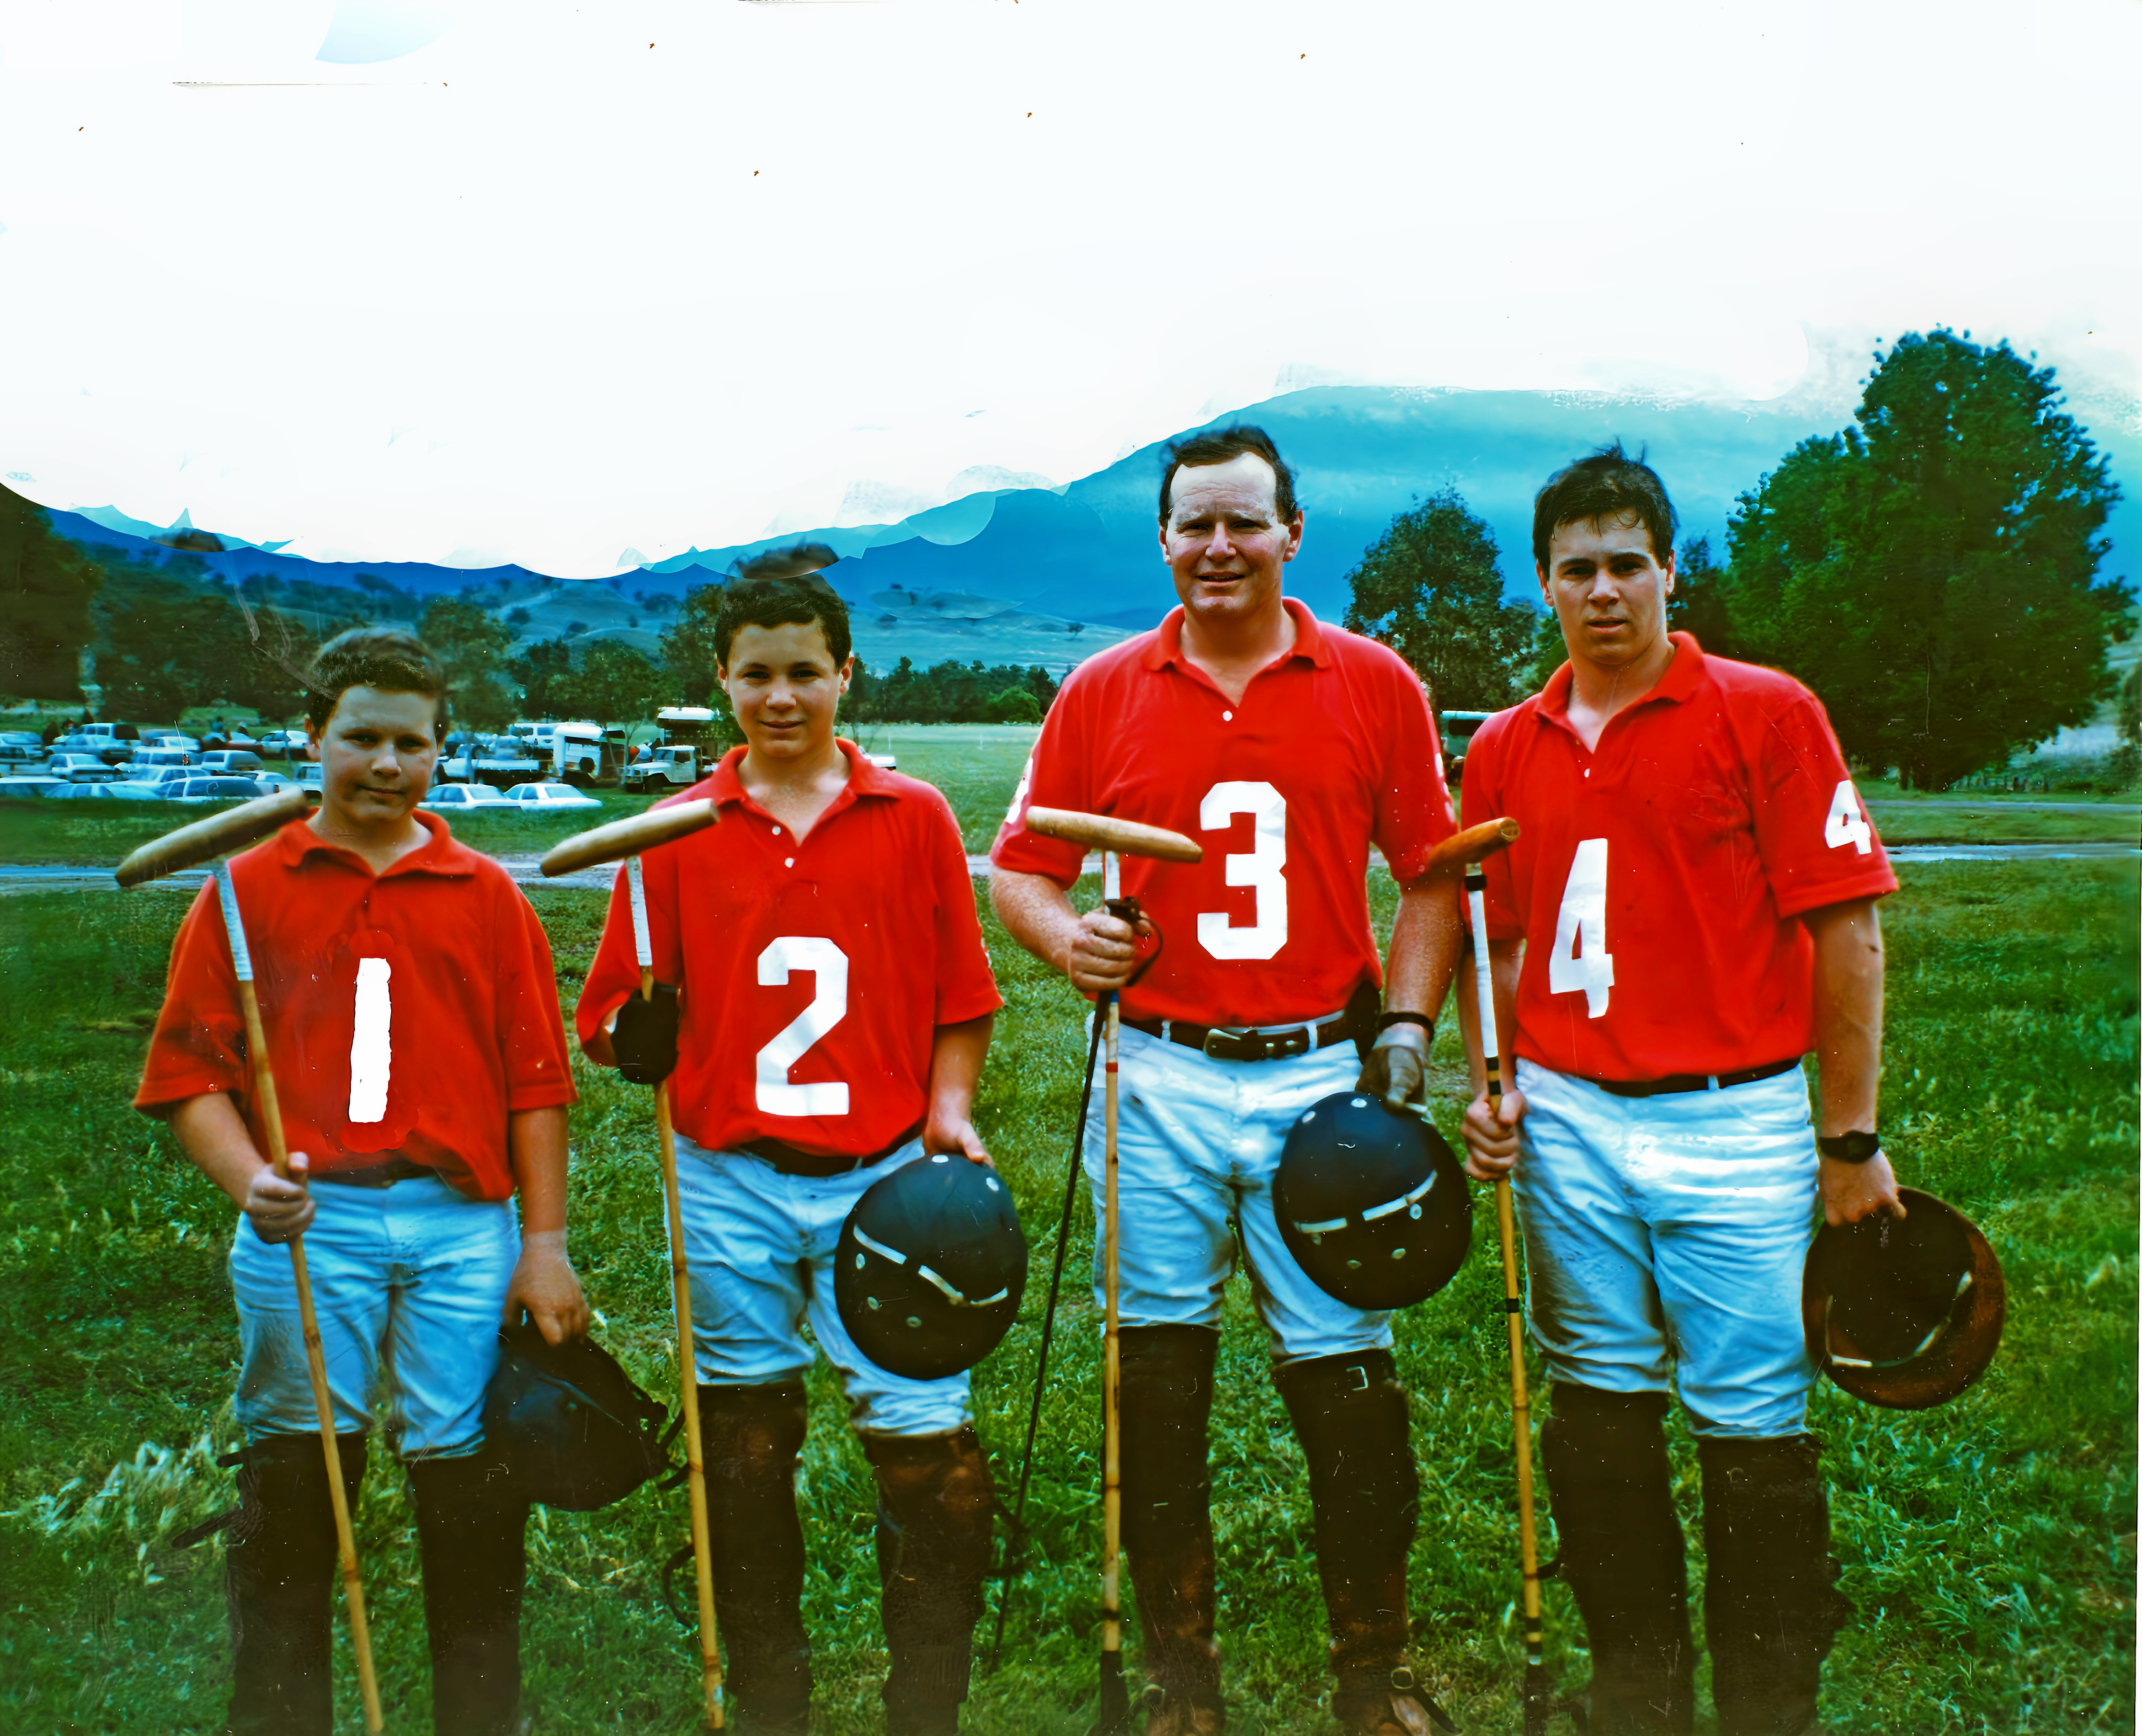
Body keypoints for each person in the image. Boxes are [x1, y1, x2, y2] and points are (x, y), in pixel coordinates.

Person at [990, 426, 1468, 1736]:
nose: (1218, 547)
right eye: (1193, 524)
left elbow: (1430, 869)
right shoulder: (1100, 687)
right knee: (1156, 1372)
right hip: (1156, 1067)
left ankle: (1371, 1671)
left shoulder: (1371, 681)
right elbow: (1020, 864)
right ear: (1161, 538)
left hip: (1319, 1063)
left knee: (1342, 1366)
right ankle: (1176, 1678)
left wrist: (1411, 1025)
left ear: (1291, 533)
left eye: (1242, 523)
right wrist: (1064, 939)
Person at [1457, 444, 1902, 1736]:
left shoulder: (1763, 711)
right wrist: (1488, 1082)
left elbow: (1845, 930)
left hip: (1733, 1114)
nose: (1601, 590)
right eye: (1573, 569)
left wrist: (1848, 1135)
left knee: (1749, 1412)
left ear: (1667, 570)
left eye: (1623, 564)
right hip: (1569, 1114)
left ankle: (1766, 1705)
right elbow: (1495, 939)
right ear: (1542, 584)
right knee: (1596, 1402)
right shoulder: (1503, 744)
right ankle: (1633, 1694)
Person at [575, 547, 1005, 1736]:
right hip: (731, 1177)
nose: (780, 696)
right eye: (755, 673)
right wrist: (636, 1035)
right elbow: (609, 1024)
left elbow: (959, 1000)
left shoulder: (911, 814)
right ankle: (769, 1700)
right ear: (720, 678)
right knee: (747, 1450)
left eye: (803, 672)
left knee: (927, 1453)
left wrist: (949, 1107)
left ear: (844, 675)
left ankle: (926, 1703)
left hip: (884, 1174)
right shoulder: (667, 829)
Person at [135, 626, 588, 1736]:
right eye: (361, 740)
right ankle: (280, 1716)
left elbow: (537, 1086)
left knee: (467, 1471)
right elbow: (192, 1077)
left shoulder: (485, 894)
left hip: (461, 1227)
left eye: (412, 744)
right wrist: (250, 1183)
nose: (386, 766)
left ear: (443, 752)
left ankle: (478, 1717)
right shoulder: (244, 890)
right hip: (309, 1227)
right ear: (315, 738)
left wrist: (544, 1241)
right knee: (298, 1479)